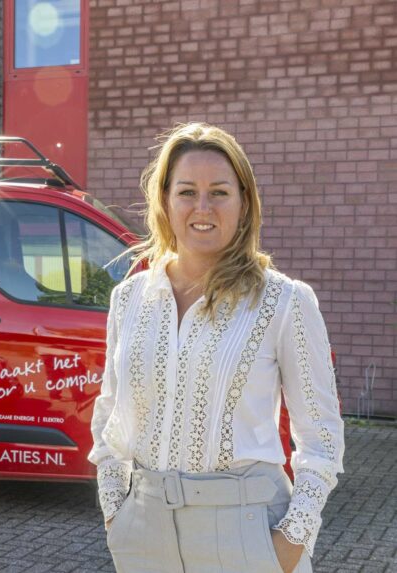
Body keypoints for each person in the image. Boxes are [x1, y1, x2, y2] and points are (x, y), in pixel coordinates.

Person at [89, 122, 344, 572]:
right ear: (164, 201)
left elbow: (321, 438)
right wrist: (116, 512)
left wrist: (291, 541)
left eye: (220, 192)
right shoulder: (129, 298)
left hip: (250, 532)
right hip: (145, 532)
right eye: (186, 191)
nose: (201, 207)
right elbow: (110, 416)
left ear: (244, 204)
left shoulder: (284, 302)